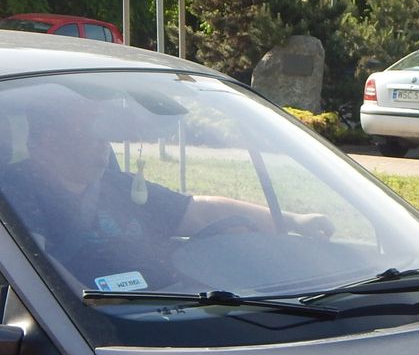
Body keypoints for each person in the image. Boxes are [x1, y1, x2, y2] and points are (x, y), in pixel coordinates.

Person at [3, 107, 333, 289]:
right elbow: (35, 276)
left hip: (171, 312)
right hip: (88, 338)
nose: (104, 145)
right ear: (46, 140)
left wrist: (293, 221)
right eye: (92, 135)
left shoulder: (118, 185)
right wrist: (82, 311)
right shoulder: (15, 194)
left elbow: (200, 212)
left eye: (105, 136)